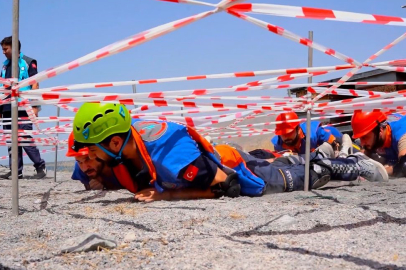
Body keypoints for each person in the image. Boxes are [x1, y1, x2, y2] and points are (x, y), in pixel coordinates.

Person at [71, 103, 388, 202]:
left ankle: (351, 163)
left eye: (91, 153)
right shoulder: (124, 139)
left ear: (114, 143)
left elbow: (226, 186)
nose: (89, 160)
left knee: (311, 173)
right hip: (216, 158)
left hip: (236, 172)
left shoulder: (170, 158)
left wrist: (166, 197)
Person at [0, 36, 46, 179]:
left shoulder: (28, 62)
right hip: (7, 107)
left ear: (14, 48)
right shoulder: (5, 66)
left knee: (24, 138)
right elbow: (2, 88)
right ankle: (16, 171)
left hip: (23, 106)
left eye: (6, 49)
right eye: (2, 49)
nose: (3, 52)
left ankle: (40, 166)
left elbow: (35, 84)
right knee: (11, 140)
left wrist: (35, 106)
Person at [352, 110, 406, 177]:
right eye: (360, 138)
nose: (362, 143)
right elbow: (363, 154)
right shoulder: (377, 134)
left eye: (364, 137)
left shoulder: (401, 134)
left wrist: (379, 172)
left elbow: (404, 165)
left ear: (380, 130)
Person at [271, 112, 343, 155]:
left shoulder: (314, 133)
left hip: (334, 134)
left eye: (289, 133)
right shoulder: (278, 145)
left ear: (298, 129)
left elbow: (335, 144)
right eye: (283, 134)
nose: (286, 137)